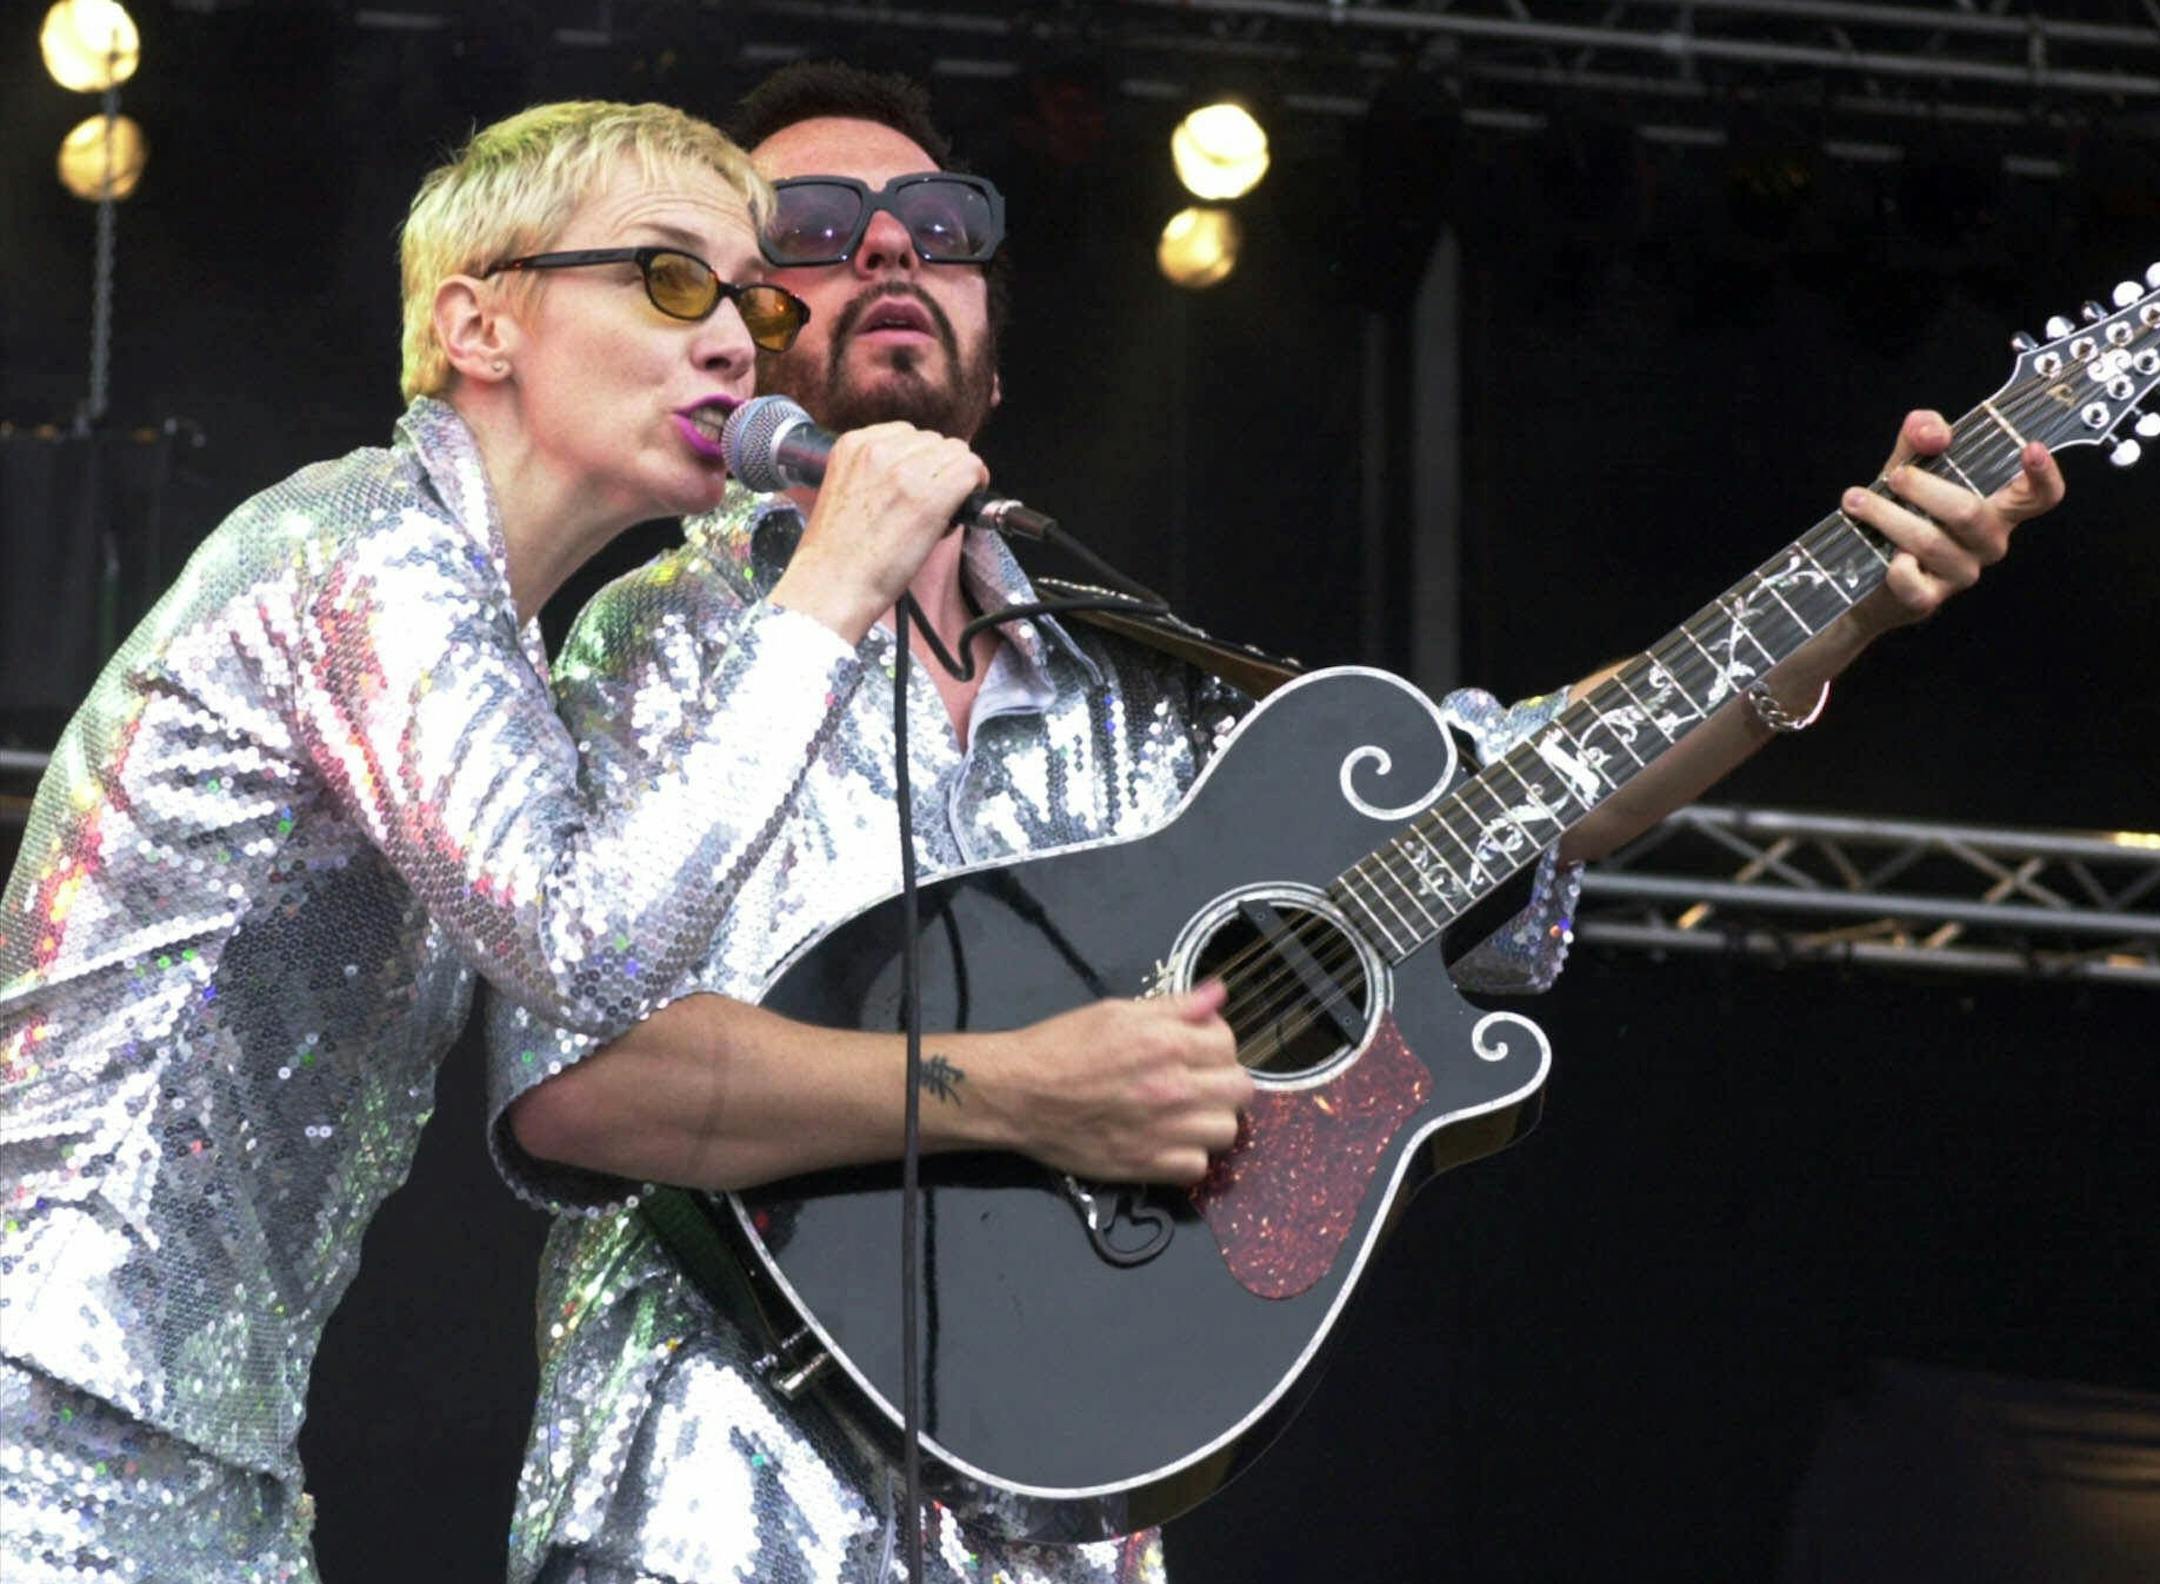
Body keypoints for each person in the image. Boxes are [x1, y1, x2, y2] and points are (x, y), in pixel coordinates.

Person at [482, 64, 2065, 1584]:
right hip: (705, 1513)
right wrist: (1031, 1092)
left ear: (995, 351)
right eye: (820, 226)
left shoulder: (1140, 683)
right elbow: (580, 1089)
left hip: (1067, 1539)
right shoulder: (660, 643)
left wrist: (1844, 610)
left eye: (946, 225)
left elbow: (1528, 794)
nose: (896, 247)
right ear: (738, 338)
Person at [0, 101, 820, 1582]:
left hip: (195, 1445)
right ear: (477, 324)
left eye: (755, 302)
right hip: (48, 1417)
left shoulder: (488, 638)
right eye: (668, 277)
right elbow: (583, 939)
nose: (736, 342)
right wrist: (835, 595)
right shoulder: (361, 545)